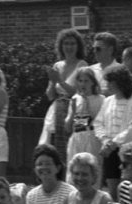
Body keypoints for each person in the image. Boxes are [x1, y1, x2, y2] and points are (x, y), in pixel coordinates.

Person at [94, 66, 132, 200]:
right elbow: (98, 123)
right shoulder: (107, 101)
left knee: (127, 191)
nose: (108, 85)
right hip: (110, 153)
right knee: (113, 192)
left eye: (111, 81)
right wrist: (105, 140)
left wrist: (114, 143)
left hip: (129, 153)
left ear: (120, 82)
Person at [42, 28, 88, 156]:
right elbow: (50, 95)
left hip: (74, 108)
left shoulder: (82, 65)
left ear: (78, 46)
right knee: (54, 146)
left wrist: (60, 81)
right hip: (57, 108)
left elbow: (81, 92)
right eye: (66, 43)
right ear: (61, 46)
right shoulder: (57, 65)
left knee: (73, 146)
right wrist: (52, 82)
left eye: (73, 43)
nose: (69, 47)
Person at [65, 66, 104, 162]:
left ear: (93, 82)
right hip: (77, 138)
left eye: (86, 81)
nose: (83, 84)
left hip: (92, 139)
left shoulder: (100, 99)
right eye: (80, 81)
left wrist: (87, 104)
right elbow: (68, 128)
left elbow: (100, 123)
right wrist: (73, 112)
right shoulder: (75, 99)